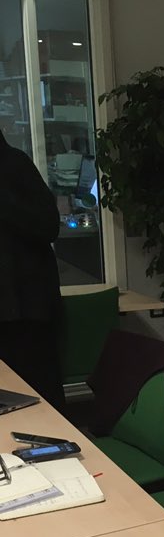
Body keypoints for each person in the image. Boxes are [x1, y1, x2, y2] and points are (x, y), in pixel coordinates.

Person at [0, 128, 65, 411]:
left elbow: (49, 225)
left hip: (26, 313)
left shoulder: (15, 164)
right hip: (15, 310)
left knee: (39, 400)